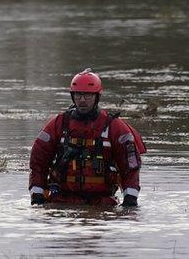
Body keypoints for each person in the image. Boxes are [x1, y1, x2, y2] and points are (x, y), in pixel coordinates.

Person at [29, 68, 146, 207]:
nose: (82, 100)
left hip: (103, 203)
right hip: (61, 201)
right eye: (78, 95)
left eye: (87, 95)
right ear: (73, 96)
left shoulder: (114, 126)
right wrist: (37, 196)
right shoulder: (58, 124)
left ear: (97, 96)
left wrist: (130, 200)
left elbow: (130, 166)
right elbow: (38, 162)